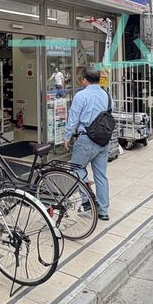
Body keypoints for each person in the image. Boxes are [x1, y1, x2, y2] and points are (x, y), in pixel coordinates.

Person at [63, 67, 111, 221]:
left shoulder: (81, 95)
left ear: (84, 80)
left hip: (86, 139)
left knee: (76, 169)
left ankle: (87, 200)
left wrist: (67, 136)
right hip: (104, 140)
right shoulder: (107, 95)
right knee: (101, 176)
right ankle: (103, 211)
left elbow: (74, 117)